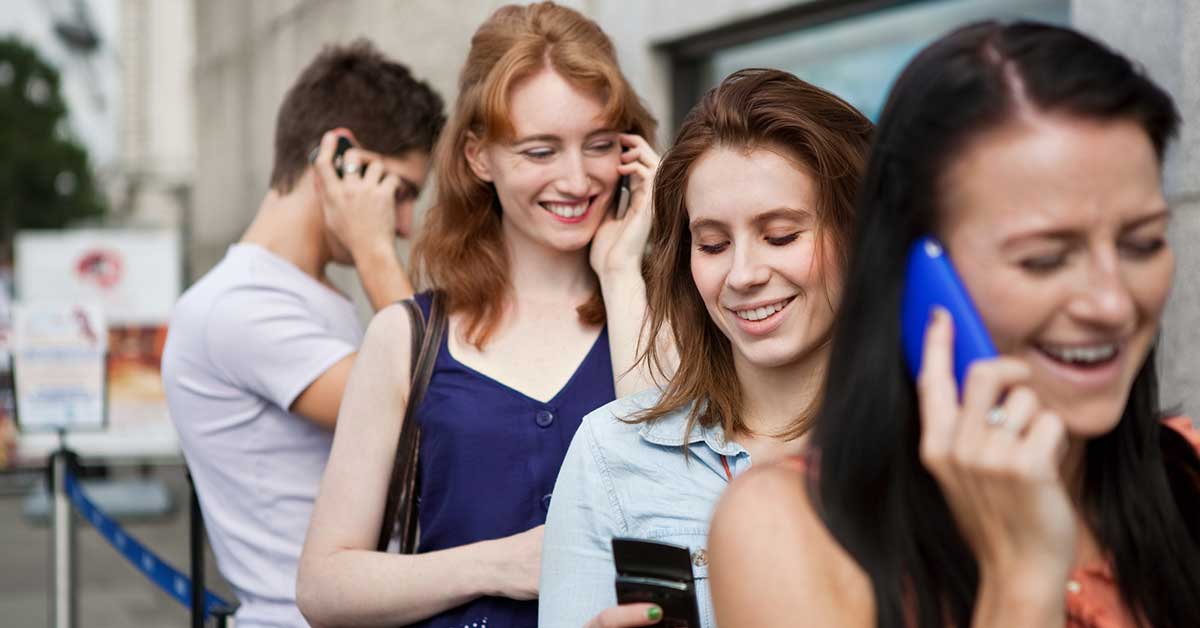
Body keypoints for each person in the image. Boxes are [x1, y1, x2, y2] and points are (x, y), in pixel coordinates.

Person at [710, 21, 1200, 628]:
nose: (1112, 303)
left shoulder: (1186, 474)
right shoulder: (787, 530)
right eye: (1043, 258)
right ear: (915, 277)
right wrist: (1020, 577)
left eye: (1142, 243)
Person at [296, 4, 661, 628]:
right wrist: (494, 565)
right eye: (541, 150)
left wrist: (624, 271)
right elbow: (323, 585)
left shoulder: (664, 312)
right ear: (479, 157)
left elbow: (669, 510)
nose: (577, 178)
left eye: (599, 145)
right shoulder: (406, 336)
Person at [538, 68, 874, 628]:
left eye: (781, 236)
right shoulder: (612, 451)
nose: (742, 274)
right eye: (713, 244)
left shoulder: (938, 444)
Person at [161, 40, 444, 627]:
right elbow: (436, 410)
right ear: (339, 156)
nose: (404, 224)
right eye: (401, 191)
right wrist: (372, 251)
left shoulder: (306, 295)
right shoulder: (239, 308)